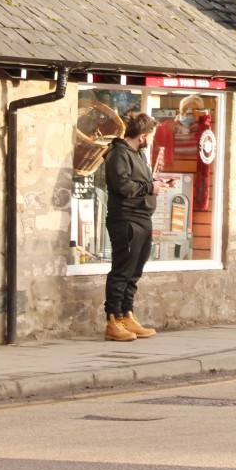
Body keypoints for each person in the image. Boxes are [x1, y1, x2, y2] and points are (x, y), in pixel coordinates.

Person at [103, 111, 159, 342]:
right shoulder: (118, 154)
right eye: (151, 136)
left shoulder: (138, 155)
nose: (151, 140)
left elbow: (139, 183)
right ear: (143, 136)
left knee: (134, 272)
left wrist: (156, 184)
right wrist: (149, 189)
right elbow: (122, 185)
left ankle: (127, 314)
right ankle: (113, 320)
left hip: (143, 217)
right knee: (122, 271)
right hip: (125, 218)